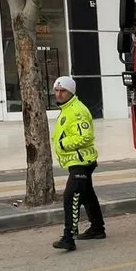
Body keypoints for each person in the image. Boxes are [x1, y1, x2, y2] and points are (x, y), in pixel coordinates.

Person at [50, 76, 104, 251]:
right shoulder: (67, 108)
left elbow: (85, 136)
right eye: (56, 91)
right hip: (77, 161)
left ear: (71, 92)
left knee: (71, 197)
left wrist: (62, 144)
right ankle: (97, 228)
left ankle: (68, 237)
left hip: (81, 161)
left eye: (63, 91)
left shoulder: (77, 111)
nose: (59, 94)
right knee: (87, 195)